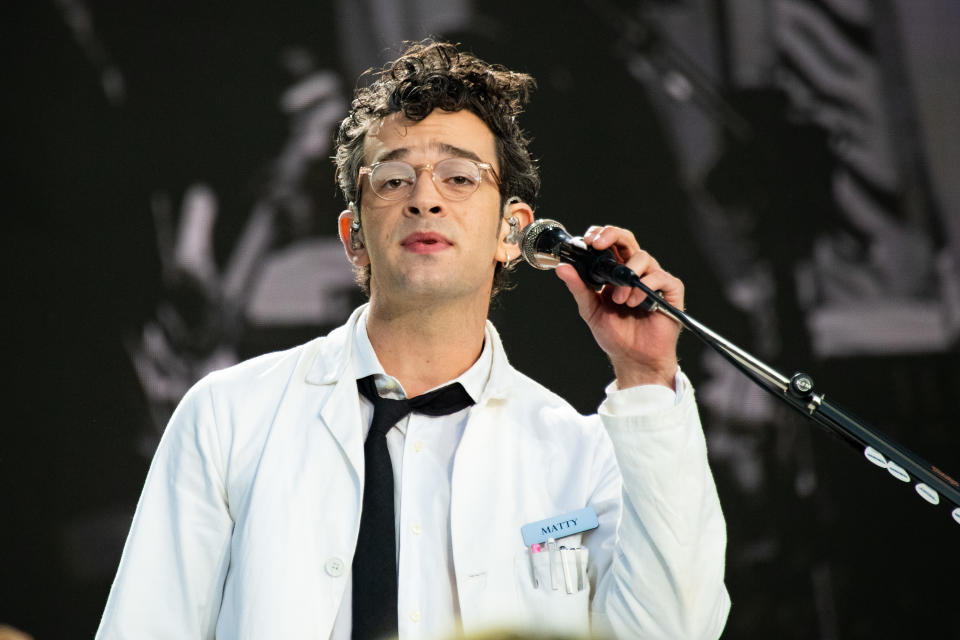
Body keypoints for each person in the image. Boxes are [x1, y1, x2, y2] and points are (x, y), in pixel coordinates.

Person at [97, 40, 729, 639]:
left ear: (515, 233)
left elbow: (673, 630)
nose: (425, 198)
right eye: (394, 180)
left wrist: (646, 380)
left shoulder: (579, 455)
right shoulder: (229, 416)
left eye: (460, 178)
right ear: (352, 237)